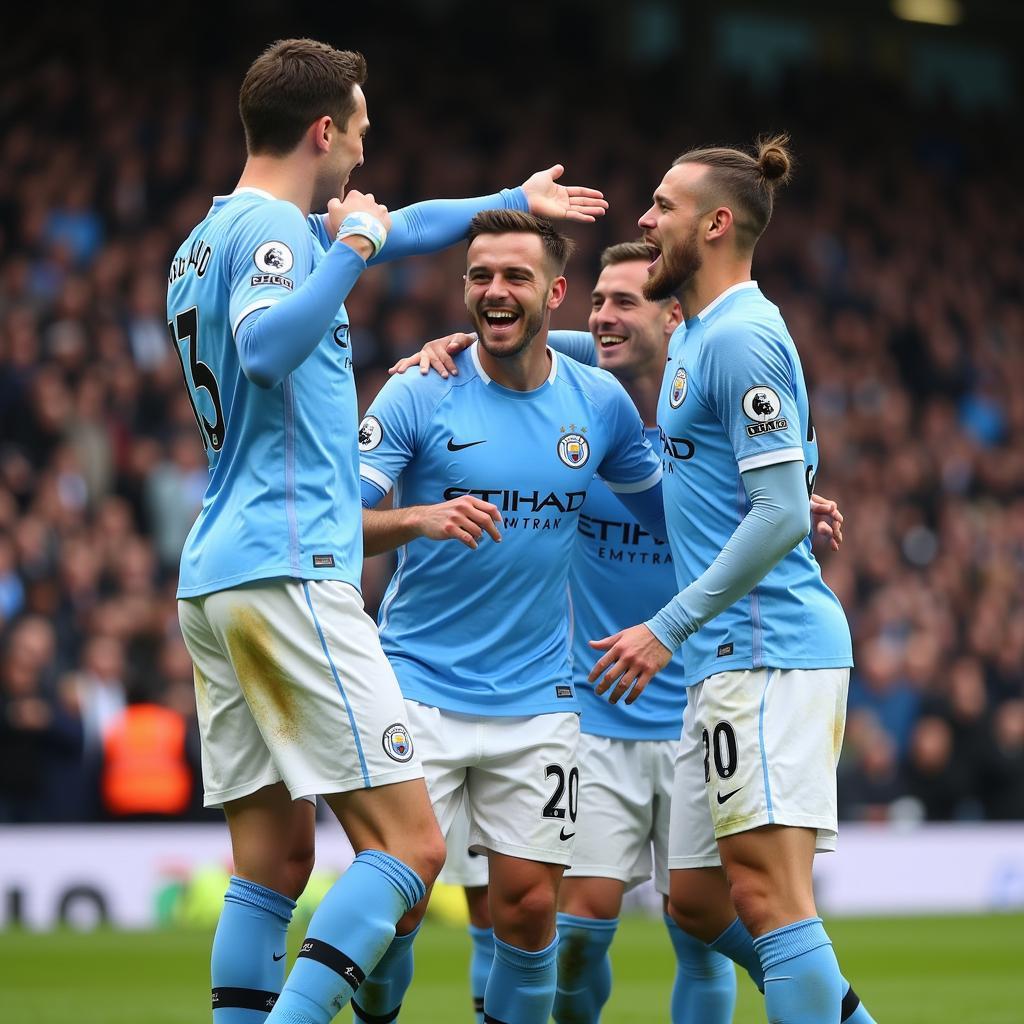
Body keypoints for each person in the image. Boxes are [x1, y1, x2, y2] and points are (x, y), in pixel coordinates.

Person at [167, 38, 606, 1024]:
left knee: (274, 862)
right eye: (360, 132)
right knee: (409, 847)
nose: (363, 157)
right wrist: (355, 251)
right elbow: (269, 347)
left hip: (219, 574)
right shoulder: (283, 236)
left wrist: (510, 200)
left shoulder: (207, 238)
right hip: (290, 567)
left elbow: (401, 226)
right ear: (325, 130)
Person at [392, 242, 847, 1024]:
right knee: (573, 931)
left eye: (623, 303)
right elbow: (541, 336)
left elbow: (772, 502)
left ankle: (816, 994)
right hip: (598, 708)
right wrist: (457, 341)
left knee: (699, 923)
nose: (601, 317)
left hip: (701, 691)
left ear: (676, 318)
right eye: (595, 302)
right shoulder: (583, 414)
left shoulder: (714, 411)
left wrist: (793, 503)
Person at [586, 136, 876, 1023]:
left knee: (771, 900)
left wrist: (665, 626)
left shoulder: (742, 336)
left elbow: (780, 513)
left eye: (662, 206)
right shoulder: (698, 334)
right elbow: (756, 472)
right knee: (701, 902)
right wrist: (483, 339)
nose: (644, 218)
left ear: (715, 225)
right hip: (726, 660)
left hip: (766, 650)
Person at [355, 210, 665, 1024]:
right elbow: (324, 522)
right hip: (418, 689)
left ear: (555, 293)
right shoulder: (420, 387)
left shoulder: (599, 404)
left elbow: (672, 516)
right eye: (480, 276)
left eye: (516, 277)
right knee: (402, 909)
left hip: (539, 700)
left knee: (529, 913)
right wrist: (416, 520)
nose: (495, 291)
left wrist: (776, 506)